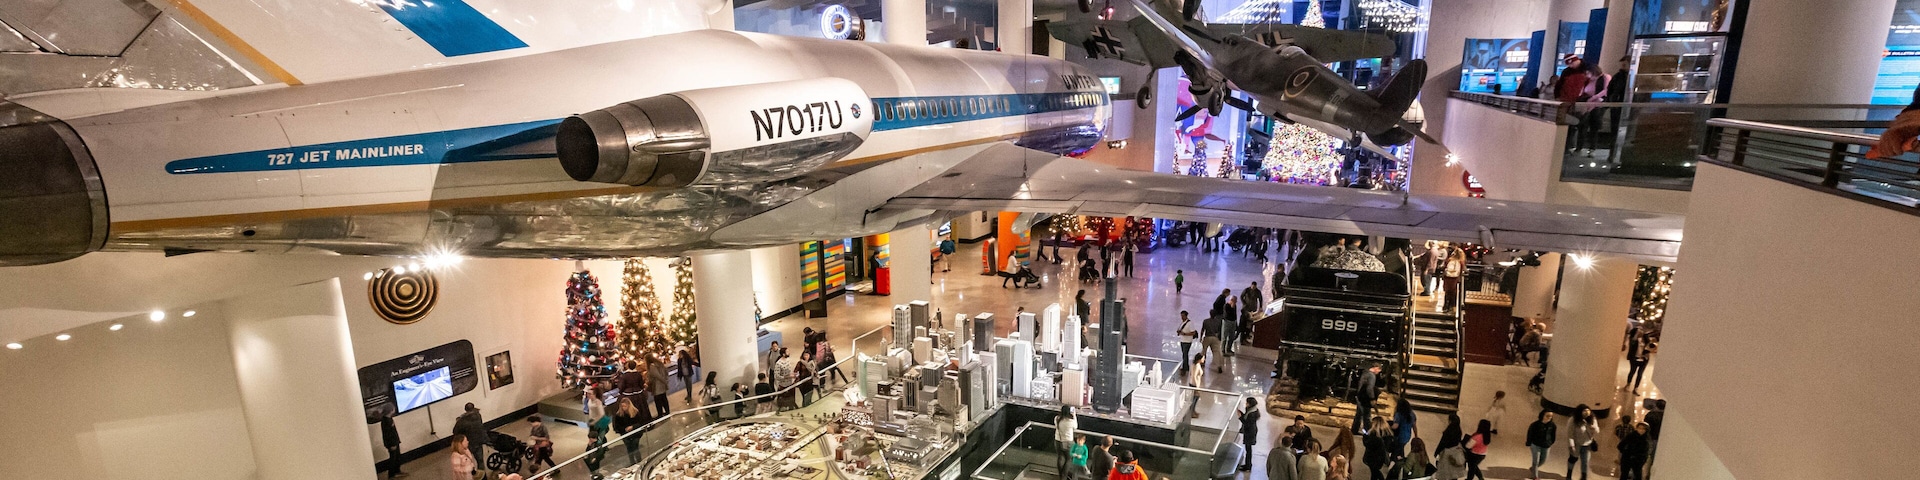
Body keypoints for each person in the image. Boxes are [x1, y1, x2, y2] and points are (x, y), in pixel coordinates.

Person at [452, 403, 487, 475]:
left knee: (468, 461)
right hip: (478, 441)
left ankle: (472, 475)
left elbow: (455, 431)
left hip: (468, 444)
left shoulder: (462, 421)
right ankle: (482, 476)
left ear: (465, 409)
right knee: (480, 461)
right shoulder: (478, 416)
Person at [1568, 404, 1599, 480]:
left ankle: (1583, 477)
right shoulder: (1573, 420)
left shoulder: (1592, 419)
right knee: (1573, 459)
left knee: (1585, 462)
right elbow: (1570, 434)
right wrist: (1572, 445)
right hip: (1576, 444)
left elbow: (1597, 430)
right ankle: (1569, 474)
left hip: (1587, 444)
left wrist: (1592, 427)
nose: (1586, 413)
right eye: (1584, 411)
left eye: (1588, 411)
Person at [1526, 409, 1557, 480]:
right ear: (1543, 415)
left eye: (1551, 416)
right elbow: (1530, 433)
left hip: (1546, 445)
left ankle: (1533, 468)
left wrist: (1551, 442)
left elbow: (1553, 435)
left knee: (1543, 460)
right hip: (1536, 444)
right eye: (1547, 416)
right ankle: (1535, 476)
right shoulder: (1535, 425)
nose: (1549, 418)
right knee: (1536, 460)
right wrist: (1529, 442)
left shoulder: (1552, 425)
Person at [611, 398, 643, 464]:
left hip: (635, 434)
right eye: (622, 406)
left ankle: (639, 461)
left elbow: (640, 423)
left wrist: (632, 427)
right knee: (629, 449)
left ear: (628, 405)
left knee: (635, 447)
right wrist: (624, 429)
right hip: (625, 435)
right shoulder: (618, 415)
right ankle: (632, 463)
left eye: (625, 406)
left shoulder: (635, 412)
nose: (623, 408)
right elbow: (616, 427)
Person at [1353, 364, 1380, 434]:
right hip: (1365, 398)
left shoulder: (1365, 373)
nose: (1378, 372)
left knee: (1358, 414)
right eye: (1379, 370)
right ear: (1376, 368)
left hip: (1360, 396)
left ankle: (1354, 430)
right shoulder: (1372, 376)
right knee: (1367, 416)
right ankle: (1368, 432)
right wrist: (1372, 398)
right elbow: (1369, 388)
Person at [379, 413, 406, 478]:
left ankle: (397, 471)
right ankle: (391, 474)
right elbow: (388, 434)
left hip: (395, 441)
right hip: (392, 443)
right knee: (393, 459)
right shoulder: (386, 421)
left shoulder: (389, 419)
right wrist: (391, 444)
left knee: (397, 457)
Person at [1238, 398, 1262, 471]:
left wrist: (1240, 417)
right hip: (1250, 431)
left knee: (1248, 450)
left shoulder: (1251, 413)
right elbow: (1246, 418)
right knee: (1248, 449)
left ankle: (1248, 466)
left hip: (1250, 432)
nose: (1246, 404)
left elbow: (1247, 423)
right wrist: (1241, 414)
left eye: (1247, 402)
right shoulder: (1252, 410)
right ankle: (1247, 464)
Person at [1056, 405, 1078, 475]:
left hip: (1058, 440)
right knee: (1069, 459)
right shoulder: (1070, 421)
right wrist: (1074, 415)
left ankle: (1061, 474)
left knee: (1060, 457)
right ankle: (1064, 477)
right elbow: (1076, 427)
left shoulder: (1057, 419)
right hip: (1068, 442)